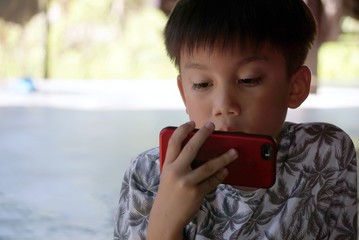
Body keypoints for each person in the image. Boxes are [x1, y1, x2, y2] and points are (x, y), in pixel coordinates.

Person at [114, 0, 358, 239]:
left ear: (295, 87)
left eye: (248, 80)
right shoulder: (148, 177)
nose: (223, 106)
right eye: (202, 84)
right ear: (184, 94)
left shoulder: (325, 155)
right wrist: (165, 225)